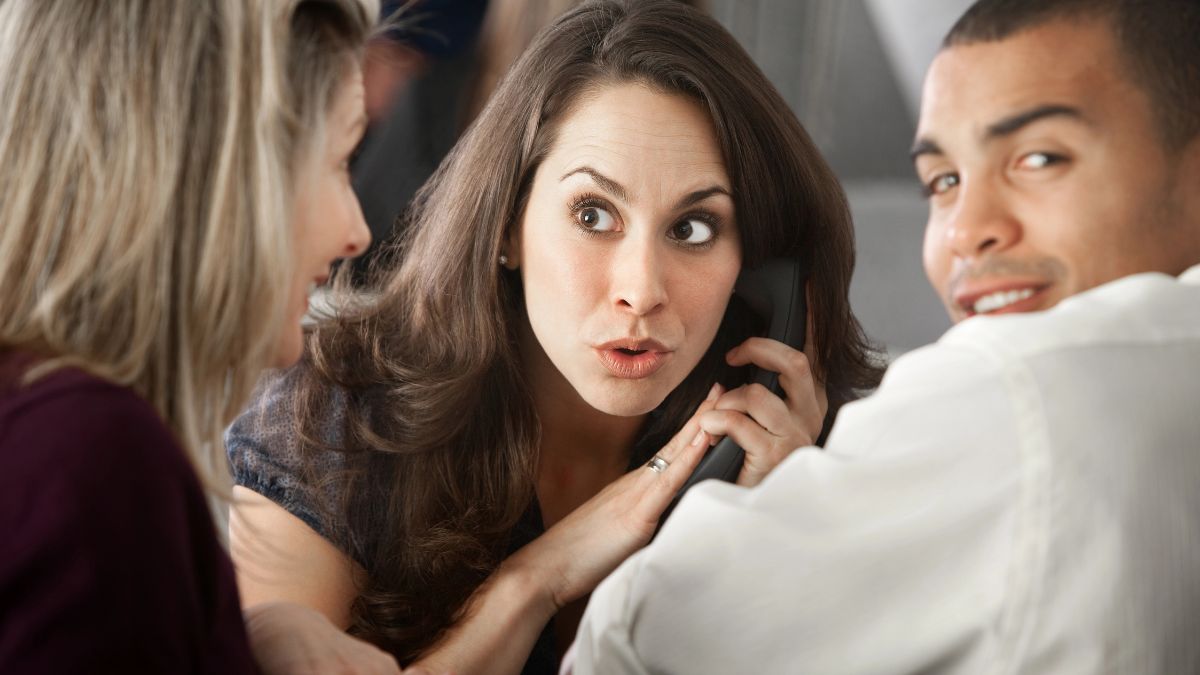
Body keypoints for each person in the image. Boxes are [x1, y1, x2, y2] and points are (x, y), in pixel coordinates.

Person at [225, 0, 884, 673]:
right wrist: (534, 582)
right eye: (593, 214)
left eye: (693, 228)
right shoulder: (328, 417)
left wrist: (782, 538)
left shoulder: (822, 452)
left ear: (758, 266)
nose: (642, 288)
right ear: (507, 225)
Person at [570, 0, 1200, 672]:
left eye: (1039, 159)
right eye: (944, 181)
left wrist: (542, 576)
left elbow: (629, 649)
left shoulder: (1019, 384)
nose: (964, 231)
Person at [0, 0, 400, 672]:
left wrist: (245, 642)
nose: (355, 229)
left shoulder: (54, 429)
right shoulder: (94, 463)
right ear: (227, 176)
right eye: (338, 163)